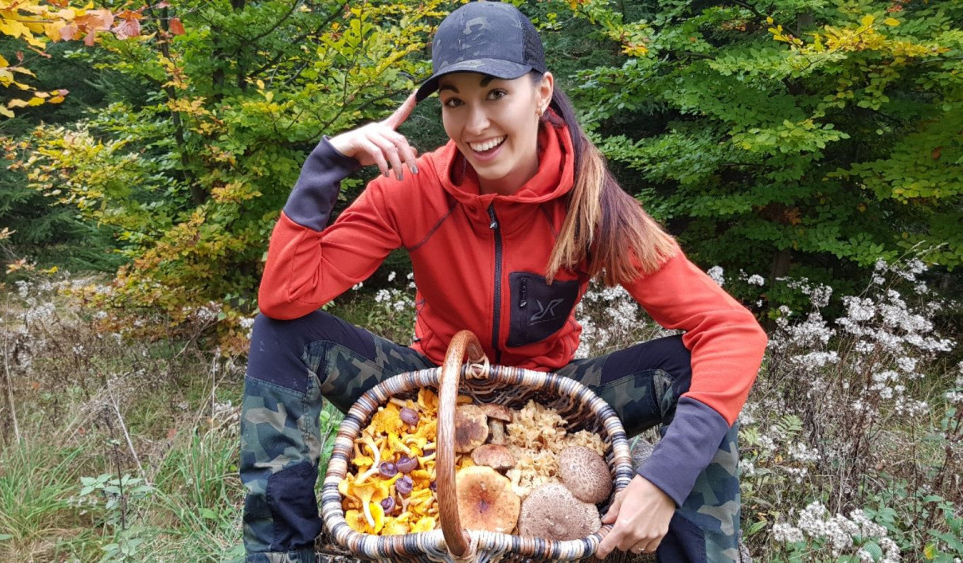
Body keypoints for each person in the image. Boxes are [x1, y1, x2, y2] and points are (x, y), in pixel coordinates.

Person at [239, 2, 767, 561]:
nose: (475, 125)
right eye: (454, 102)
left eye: (496, 94)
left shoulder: (590, 204)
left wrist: (664, 481)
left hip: (550, 397)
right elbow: (284, 297)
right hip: (431, 385)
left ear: (541, 93)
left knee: (692, 369)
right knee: (282, 334)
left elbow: (732, 331)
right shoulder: (411, 188)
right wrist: (327, 163)